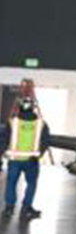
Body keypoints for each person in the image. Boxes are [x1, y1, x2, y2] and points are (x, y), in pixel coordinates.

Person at [4, 85, 51, 220]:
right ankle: (26, 208)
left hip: (14, 160)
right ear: (33, 107)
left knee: (11, 183)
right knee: (31, 183)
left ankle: (9, 208)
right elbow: (46, 141)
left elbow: (3, 139)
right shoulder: (41, 124)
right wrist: (39, 154)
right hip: (32, 161)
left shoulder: (12, 123)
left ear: (19, 107)